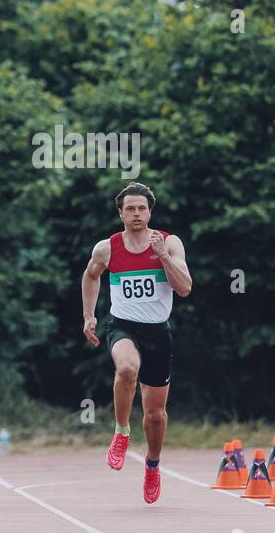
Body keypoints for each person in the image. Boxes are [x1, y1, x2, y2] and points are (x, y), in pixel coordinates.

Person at [81, 182, 192, 504]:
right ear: (120, 213)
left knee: (156, 415)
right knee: (127, 368)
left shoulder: (168, 243)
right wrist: (89, 316)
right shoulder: (107, 248)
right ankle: (121, 432)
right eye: (130, 208)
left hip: (158, 332)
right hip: (123, 326)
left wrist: (163, 258)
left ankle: (153, 466)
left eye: (141, 208)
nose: (136, 213)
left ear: (150, 212)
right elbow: (90, 276)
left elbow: (184, 288)